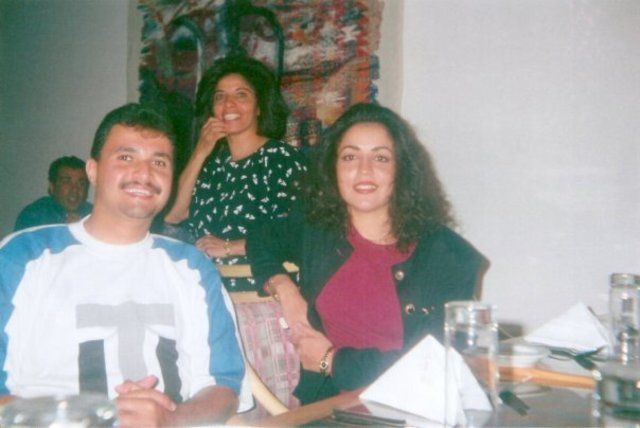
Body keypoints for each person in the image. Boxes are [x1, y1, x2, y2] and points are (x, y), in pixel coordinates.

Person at [0, 104, 252, 426]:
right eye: (126, 157)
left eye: (159, 162)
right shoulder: (24, 256)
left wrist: (172, 420)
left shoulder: (192, 267)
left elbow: (224, 387)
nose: (144, 174)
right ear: (93, 171)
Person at [247, 103, 488, 404]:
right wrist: (285, 290)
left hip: (416, 410)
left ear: (402, 170)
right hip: (328, 411)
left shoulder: (449, 257)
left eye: (380, 157)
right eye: (350, 156)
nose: (364, 170)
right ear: (333, 169)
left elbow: (433, 367)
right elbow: (261, 237)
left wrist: (332, 362)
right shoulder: (317, 229)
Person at [163, 55, 306, 291]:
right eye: (220, 96)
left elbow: (301, 233)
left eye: (241, 95)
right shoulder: (210, 165)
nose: (229, 104)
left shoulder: (283, 159)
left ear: (259, 106)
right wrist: (200, 152)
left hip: (263, 292)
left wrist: (229, 247)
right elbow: (173, 215)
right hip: (206, 292)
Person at [14, 156, 92, 231]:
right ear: (52, 187)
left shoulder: (93, 214)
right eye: (66, 182)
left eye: (81, 184)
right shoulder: (34, 215)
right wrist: (67, 231)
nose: (75, 189)